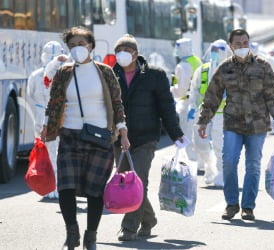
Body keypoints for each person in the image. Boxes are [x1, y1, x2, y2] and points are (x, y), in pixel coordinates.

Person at [41, 26, 130, 249]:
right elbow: (54, 103)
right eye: (72, 46)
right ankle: (72, 232)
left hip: (100, 137)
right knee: (66, 186)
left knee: (95, 190)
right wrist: (47, 128)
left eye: (81, 44)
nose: (76, 49)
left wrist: (122, 130)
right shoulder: (64, 73)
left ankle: (91, 236)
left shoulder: (105, 72)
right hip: (70, 136)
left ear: (90, 45)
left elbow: (117, 103)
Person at [198, 29, 274, 221]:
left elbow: (273, 94)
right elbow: (212, 95)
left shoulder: (263, 66)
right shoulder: (224, 68)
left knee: (253, 166)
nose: (242, 47)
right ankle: (231, 204)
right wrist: (204, 120)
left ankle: (248, 207)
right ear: (230, 47)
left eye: (245, 43)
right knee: (228, 162)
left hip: (257, 126)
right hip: (233, 124)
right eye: (238, 44)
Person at [113, 34, 185, 241]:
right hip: (119, 138)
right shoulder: (110, 74)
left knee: (139, 180)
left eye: (126, 50)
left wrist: (176, 133)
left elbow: (166, 107)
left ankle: (128, 227)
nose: (122, 54)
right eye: (119, 51)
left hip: (146, 137)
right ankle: (149, 219)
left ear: (136, 54)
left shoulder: (154, 75)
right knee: (127, 182)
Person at [27, 40, 66, 199]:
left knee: (45, 153)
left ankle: (47, 186)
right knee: (56, 152)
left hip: (39, 117)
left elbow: (30, 94)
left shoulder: (35, 75)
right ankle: (55, 186)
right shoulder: (63, 75)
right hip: (56, 119)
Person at [188, 39, 230, 187]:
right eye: (213, 49)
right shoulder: (203, 70)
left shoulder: (232, 70)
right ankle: (209, 166)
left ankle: (220, 174)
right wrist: (192, 107)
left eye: (217, 50)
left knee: (220, 146)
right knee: (199, 143)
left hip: (222, 114)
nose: (214, 53)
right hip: (204, 114)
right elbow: (194, 89)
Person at [170, 38, 202, 161]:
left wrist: (172, 89)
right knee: (197, 134)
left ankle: (189, 162)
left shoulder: (182, 66)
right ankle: (199, 162)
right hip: (198, 102)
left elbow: (181, 90)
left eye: (178, 48)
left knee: (186, 135)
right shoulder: (196, 61)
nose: (176, 51)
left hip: (186, 104)